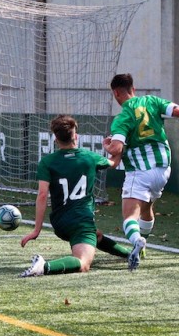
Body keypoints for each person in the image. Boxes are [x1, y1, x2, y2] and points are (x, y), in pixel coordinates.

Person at [103, 73, 179, 270]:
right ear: (133, 89)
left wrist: (107, 146)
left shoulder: (122, 117)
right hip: (163, 170)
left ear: (116, 93)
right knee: (146, 209)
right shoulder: (152, 100)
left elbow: (116, 149)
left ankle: (137, 241)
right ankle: (142, 246)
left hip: (140, 171)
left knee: (129, 218)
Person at [20, 115, 131, 277]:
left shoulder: (47, 162)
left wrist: (36, 230)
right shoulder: (89, 157)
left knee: (96, 235)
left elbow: (42, 195)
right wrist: (117, 146)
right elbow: (113, 162)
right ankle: (44, 267)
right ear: (76, 136)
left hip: (60, 223)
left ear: (56, 139)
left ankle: (130, 254)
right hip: (81, 221)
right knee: (83, 263)